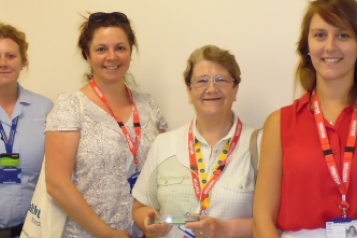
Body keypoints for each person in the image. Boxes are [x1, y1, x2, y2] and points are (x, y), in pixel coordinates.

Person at [45, 12, 167, 238]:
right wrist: (107, 233)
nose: (112, 57)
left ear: (130, 52)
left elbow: (161, 174)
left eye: (120, 48)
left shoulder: (149, 107)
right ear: (87, 55)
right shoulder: (70, 107)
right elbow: (56, 185)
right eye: (101, 49)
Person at [252, 0, 357, 237]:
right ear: (307, 46)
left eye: (343, 35)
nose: (330, 46)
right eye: (320, 35)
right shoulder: (279, 123)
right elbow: (262, 220)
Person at [132, 45, 257, 238]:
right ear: (189, 91)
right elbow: (140, 207)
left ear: (235, 89)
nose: (211, 88)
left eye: (221, 80)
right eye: (202, 81)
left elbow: (272, 221)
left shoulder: (260, 145)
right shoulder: (163, 144)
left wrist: (224, 230)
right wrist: (148, 223)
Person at [0, 23, 53, 238]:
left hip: (30, 230)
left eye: (10, 56)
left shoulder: (45, 108)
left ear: (23, 61)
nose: (2, 63)